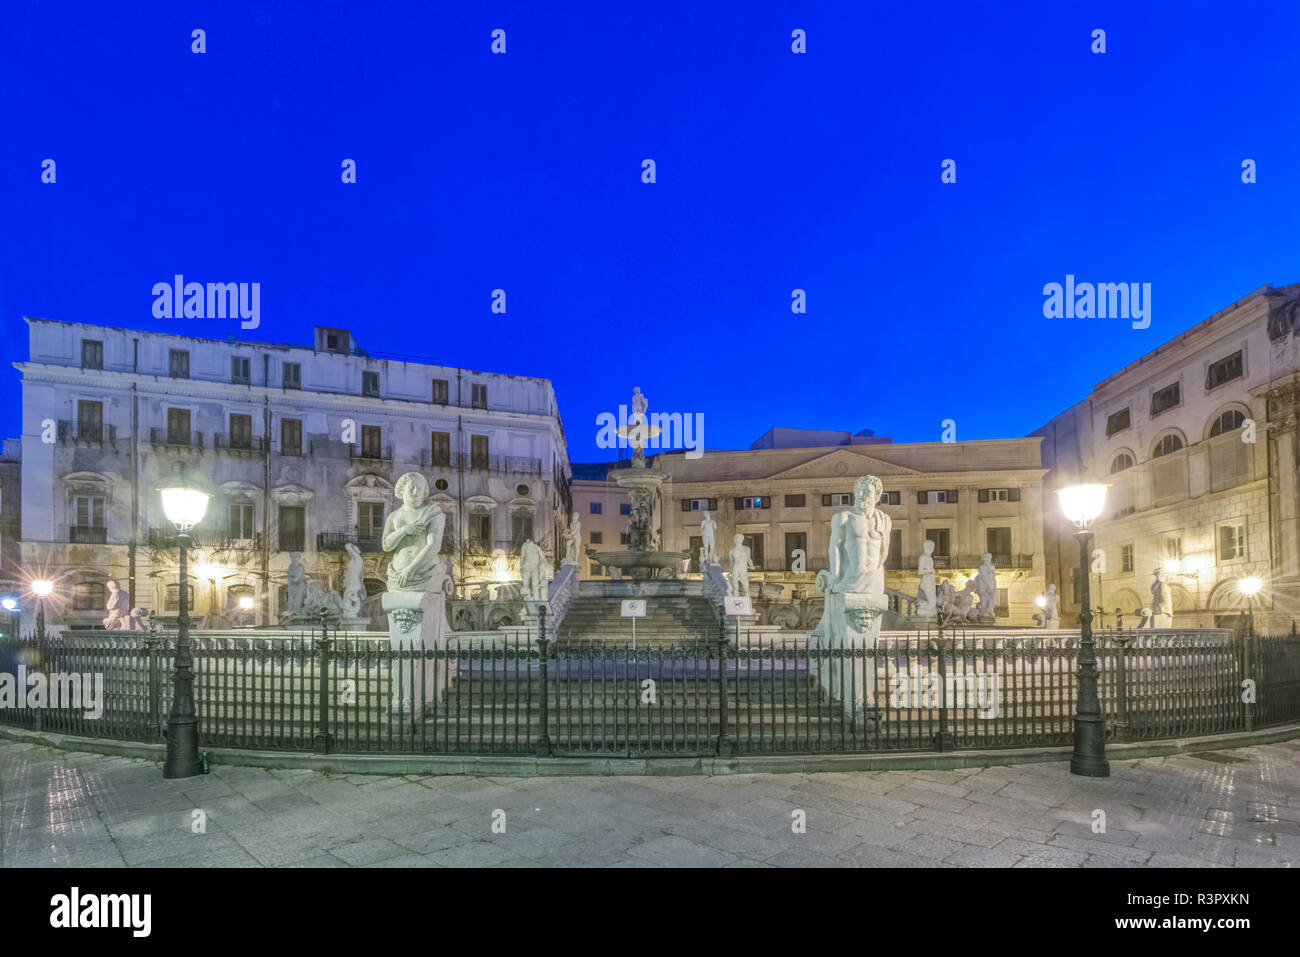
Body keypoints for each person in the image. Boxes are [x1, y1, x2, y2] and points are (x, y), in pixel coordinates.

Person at [382, 472, 446, 592]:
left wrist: (409, 570)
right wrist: (404, 530)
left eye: (420, 489)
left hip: (423, 574)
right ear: (402, 490)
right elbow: (386, 545)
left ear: (424, 493)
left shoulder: (433, 513)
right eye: (411, 488)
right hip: (396, 576)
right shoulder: (394, 516)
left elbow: (434, 545)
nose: (416, 492)